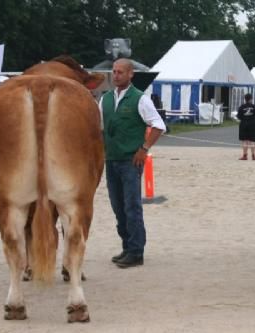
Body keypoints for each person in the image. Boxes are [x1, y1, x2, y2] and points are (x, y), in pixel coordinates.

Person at [99, 58, 166, 268]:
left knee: (132, 206)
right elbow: (99, 127)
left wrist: (144, 149)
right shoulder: (106, 99)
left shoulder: (140, 99)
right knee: (118, 206)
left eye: (120, 72)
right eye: (114, 71)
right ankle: (127, 246)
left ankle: (136, 251)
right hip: (111, 159)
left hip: (130, 160)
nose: (116, 75)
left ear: (130, 75)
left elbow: (158, 125)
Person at [237, 93, 255, 160]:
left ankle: (245, 155)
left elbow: (238, 116)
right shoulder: (254, 106)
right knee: (252, 140)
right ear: (251, 99)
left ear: (245, 99)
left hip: (243, 124)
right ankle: (253, 155)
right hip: (252, 124)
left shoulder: (242, 107)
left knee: (244, 140)